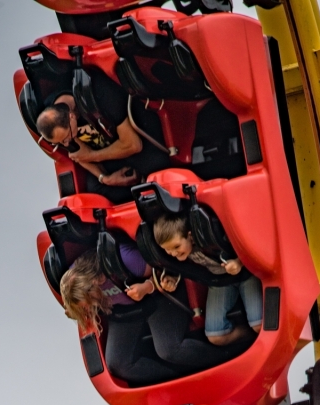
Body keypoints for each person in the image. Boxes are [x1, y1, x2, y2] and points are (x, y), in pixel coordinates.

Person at [59, 246, 252, 386]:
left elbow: (165, 270)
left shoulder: (123, 260)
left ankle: (228, 358)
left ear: (94, 281)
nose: (93, 306)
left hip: (158, 296)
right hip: (126, 311)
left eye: (91, 299)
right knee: (118, 364)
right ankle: (179, 379)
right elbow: (75, 300)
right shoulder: (74, 283)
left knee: (170, 349)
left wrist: (146, 287)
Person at [36, 76, 167, 203]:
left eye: (66, 138)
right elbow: (79, 155)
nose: (66, 143)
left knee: (158, 167)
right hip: (108, 157)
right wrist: (104, 178)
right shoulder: (55, 121)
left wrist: (93, 156)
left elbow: (133, 145)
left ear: (71, 116)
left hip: (134, 141)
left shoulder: (100, 95)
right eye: (60, 143)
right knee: (95, 194)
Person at [153, 212, 263, 347]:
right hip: (220, 281)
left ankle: (258, 332)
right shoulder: (179, 256)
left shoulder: (211, 237)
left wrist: (239, 262)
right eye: (167, 250)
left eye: (176, 247)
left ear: (190, 236)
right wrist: (173, 279)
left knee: (260, 325)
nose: (174, 253)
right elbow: (180, 269)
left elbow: (249, 242)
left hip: (246, 273)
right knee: (216, 337)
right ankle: (253, 339)